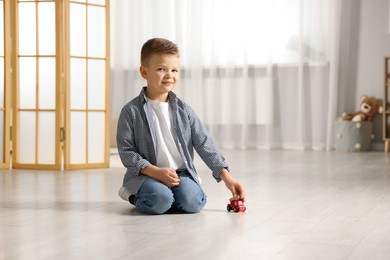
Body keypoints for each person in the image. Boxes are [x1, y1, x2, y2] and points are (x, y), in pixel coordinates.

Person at [117, 38, 245, 214]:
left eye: (174, 70)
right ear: (144, 72)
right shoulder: (131, 111)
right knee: (159, 201)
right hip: (145, 175)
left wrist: (227, 177)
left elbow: (204, 143)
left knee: (193, 203)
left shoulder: (184, 110)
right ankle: (134, 194)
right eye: (161, 69)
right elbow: (126, 152)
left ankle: (171, 195)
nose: (169, 75)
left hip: (180, 174)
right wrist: (155, 172)